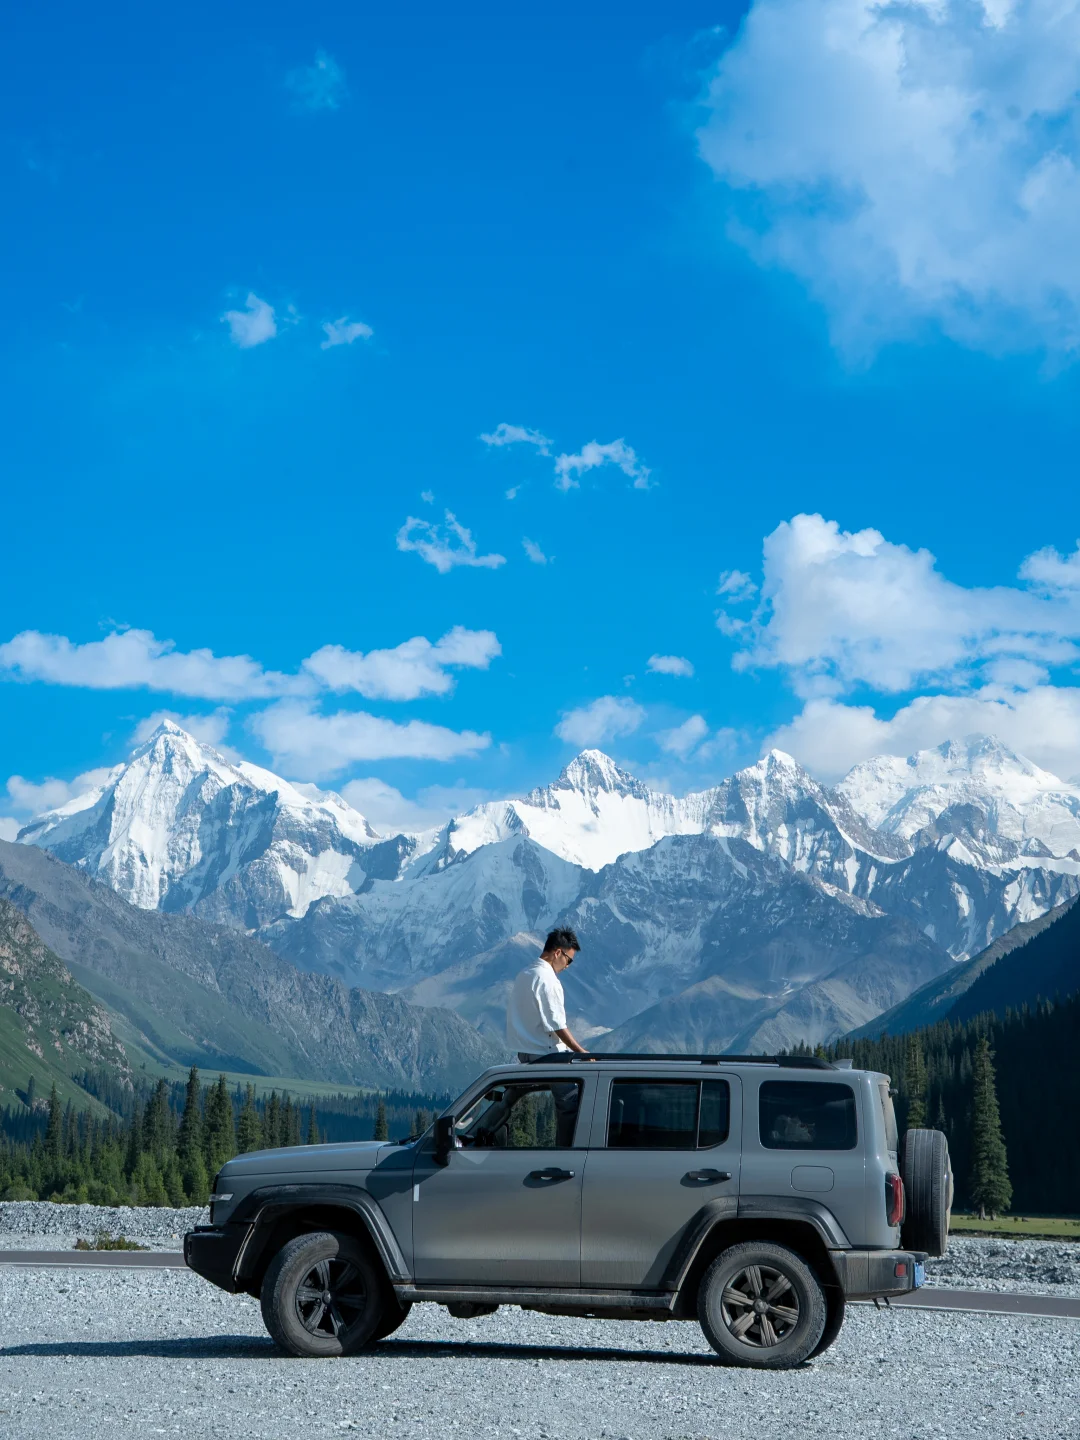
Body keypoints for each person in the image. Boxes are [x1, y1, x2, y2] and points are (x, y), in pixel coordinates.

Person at [506, 928, 588, 1146]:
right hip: (547, 1053)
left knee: (511, 1098)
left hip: (525, 1052)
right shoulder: (547, 979)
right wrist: (581, 1052)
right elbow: (557, 1025)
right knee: (572, 1103)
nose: (568, 966)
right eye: (569, 960)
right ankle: (568, 1152)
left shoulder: (525, 974)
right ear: (558, 952)